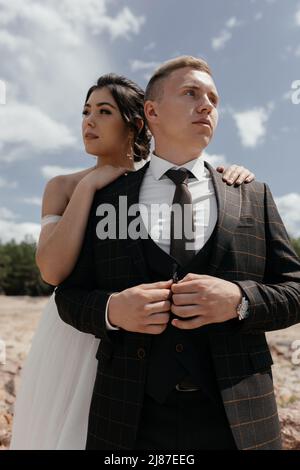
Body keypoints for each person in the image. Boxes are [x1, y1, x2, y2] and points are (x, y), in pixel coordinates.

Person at [10, 73, 253, 450]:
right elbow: (52, 271)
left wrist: (228, 174)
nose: (88, 121)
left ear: (136, 122)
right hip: (76, 333)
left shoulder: (161, 180)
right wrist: (91, 186)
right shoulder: (63, 186)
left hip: (146, 344)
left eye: (103, 111)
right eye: (86, 111)